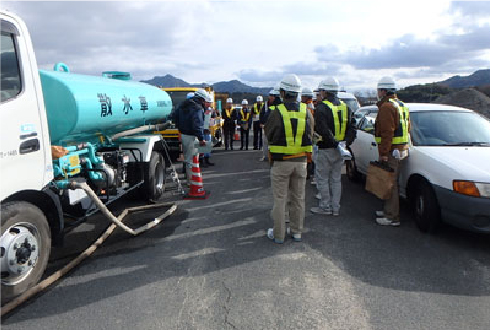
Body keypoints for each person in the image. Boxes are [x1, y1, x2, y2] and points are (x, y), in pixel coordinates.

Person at [265, 74, 312, 243]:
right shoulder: (306, 111)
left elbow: (269, 133)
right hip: (301, 162)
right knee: (298, 198)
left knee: (280, 199)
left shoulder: (277, 111)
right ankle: (297, 232)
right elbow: (310, 134)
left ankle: (279, 235)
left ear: (283, 93)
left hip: (281, 162)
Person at [311, 77, 356, 216]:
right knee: (336, 179)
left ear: (325, 91)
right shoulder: (345, 107)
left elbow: (323, 129)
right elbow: (352, 128)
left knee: (322, 178)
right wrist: (344, 144)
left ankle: (325, 207)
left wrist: (336, 143)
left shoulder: (322, 108)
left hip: (326, 148)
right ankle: (335, 208)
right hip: (340, 150)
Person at [374, 76, 410, 226]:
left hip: (391, 151)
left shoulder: (387, 107)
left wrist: (383, 153)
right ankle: (389, 210)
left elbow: (387, 132)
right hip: (401, 149)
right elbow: (408, 128)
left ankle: (392, 216)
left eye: (378, 90)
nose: (377, 93)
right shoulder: (401, 105)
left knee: (390, 183)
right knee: (393, 182)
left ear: (383, 91)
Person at [174, 89, 207, 183]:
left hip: (184, 134)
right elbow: (198, 124)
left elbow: (175, 117)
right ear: (201, 98)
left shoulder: (182, 105)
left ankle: (190, 180)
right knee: (193, 159)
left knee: (187, 159)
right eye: (204, 100)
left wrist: (180, 129)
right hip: (192, 136)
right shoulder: (197, 108)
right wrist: (201, 138)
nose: (204, 102)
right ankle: (192, 182)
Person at [259, 87, 280, 161]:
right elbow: (262, 115)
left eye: (272, 96)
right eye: (270, 96)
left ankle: (270, 156)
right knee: (266, 142)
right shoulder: (266, 105)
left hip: (273, 128)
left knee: (270, 142)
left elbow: (266, 116)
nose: (270, 97)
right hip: (268, 126)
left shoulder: (274, 107)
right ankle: (267, 156)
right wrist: (261, 123)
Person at [301, 87, 315, 180]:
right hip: (310, 134)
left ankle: (309, 173)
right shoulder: (311, 105)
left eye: (302, 96)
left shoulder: (308, 107)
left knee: (308, 155)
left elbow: (308, 122)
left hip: (307, 134)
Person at [200, 93, 215, 167]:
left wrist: (213, 114)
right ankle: (201, 161)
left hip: (207, 130)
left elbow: (213, 118)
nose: (209, 104)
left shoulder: (211, 110)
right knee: (202, 146)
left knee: (208, 146)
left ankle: (207, 160)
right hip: (202, 130)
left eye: (210, 103)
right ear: (204, 102)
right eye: (207, 102)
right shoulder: (200, 109)